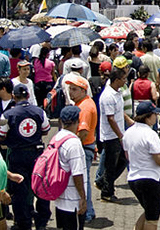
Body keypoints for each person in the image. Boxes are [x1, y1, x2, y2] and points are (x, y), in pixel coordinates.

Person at [0, 83, 52, 230]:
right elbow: (46, 130)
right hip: (36, 154)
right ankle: (42, 221)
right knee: (40, 187)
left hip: (17, 155)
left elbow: (2, 135)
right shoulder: (39, 111)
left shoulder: (8, 114)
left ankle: (23, 223)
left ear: (14, 97)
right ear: (28, 96)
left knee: (19, 191)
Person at [122, 101, 160, 230]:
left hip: (133, 179)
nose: (157, 117)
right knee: (152, 220)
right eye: (155, 114)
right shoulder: (150, 134)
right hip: (151, 180)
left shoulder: (128, 133)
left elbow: (127, 156)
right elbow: (159, 159)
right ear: (148, 116)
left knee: (148, 211)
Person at [96, 68, 132, 200]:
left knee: (122, 160)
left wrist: (127, 120)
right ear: (116, 80)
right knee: (111, 164)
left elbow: (118, 111)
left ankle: (102, 181)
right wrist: (120, 136)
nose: (125, 81)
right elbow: (110, 118)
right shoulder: (108, 96)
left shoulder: (117, 93)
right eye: (123, 79)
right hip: (111, 136)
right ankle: (107, 191)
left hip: (118, 132)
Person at [65, 75, 98, 222]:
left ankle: (87, 212)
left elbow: (83, 133)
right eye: (70, 89)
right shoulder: (83, 103)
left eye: (74, 89)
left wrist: (73, 148)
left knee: (83, 182)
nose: (71, 92)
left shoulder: (84, 107)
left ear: (84, 90)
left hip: (84, 148)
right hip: (87, 147)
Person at [51, 106, 88, 230]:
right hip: (73, 202)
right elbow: (77, 173)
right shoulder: (74, 143)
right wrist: (83, 197)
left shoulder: (56, 138)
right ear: (77, 121)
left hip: (60, 198)